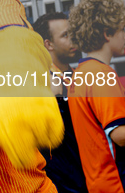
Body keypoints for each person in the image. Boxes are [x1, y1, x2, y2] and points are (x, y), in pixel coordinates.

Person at [67, 0, 125, 193]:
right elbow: (121, 135)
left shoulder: (80, 74)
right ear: (107, 33)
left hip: (99, 184)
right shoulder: (101, 74)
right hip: (118, 182)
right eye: (121, 29)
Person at [33, 12, 88, 193]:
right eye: (65, 35)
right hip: (63, 179)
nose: (74, 39)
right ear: (48, 44)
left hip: (89, 172)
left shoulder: (80, 74)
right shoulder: (42, 82)